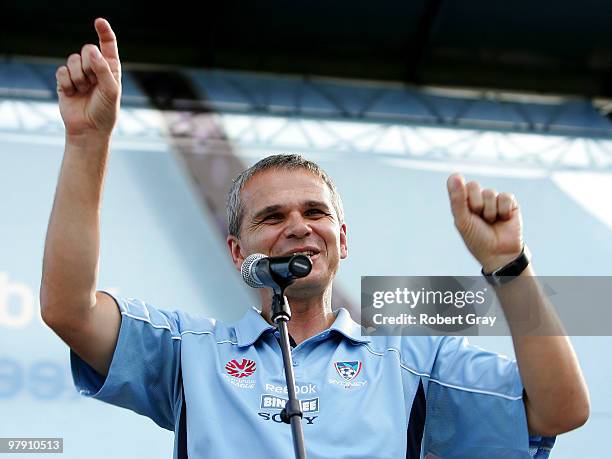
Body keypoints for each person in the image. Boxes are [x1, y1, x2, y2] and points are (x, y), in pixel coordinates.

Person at [41, 18, 589, 458]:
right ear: (238, 252)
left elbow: (559, 410)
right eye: (272, 217)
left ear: (341, 240)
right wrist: (89, 141)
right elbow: (69, 309)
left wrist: (510, 267)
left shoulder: (410, 358)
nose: (299, 227)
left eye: (315, 212)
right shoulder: (190, 354)